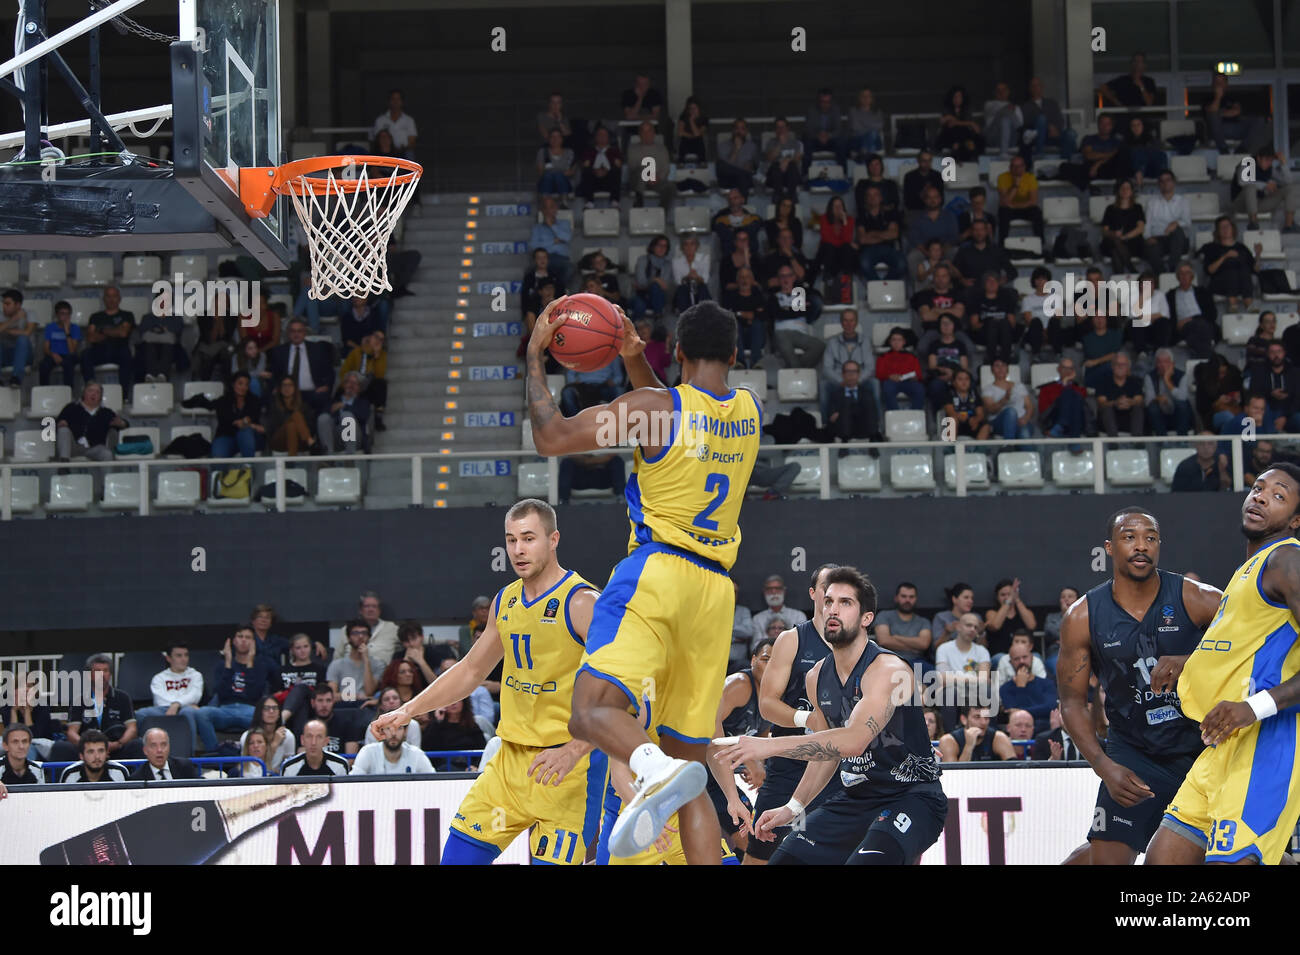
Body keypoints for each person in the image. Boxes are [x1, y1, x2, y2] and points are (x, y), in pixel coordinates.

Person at [521, 297, 761, 863]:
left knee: (590, 711)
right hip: (715, 593)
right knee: (691, 772)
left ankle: (649, 768)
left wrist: (534, 358)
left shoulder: (654, 407)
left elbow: (552, 438)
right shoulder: (749, 409)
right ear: (732, 353)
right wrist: (633, 358)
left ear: (676, 351)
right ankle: (666, 770)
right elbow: (674, 409)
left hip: (657, 573)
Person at [370, 499, 604, 864]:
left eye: (528, 538)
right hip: (509, 762)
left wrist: (575, 749)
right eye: (511, 540)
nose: (518, 549)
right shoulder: (506, 600)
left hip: (567, 768)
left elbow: (625, 686)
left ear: (553, 539)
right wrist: (408, 710)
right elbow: (471, 671)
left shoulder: (584, 602)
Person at [715, 567, 946, 865]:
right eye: (829, 601)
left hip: (912, 797)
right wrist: (792, 808)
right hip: (856, 799)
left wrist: (769, 745)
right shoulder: (816, 676)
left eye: (845, 603)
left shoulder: (888, 670)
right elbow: (827, 753)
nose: (833, 609)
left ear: (867, 619)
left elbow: (853, 741)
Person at [1146, 466, 1300, 865]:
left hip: (1268, 741)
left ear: (1297, 520)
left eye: (1279, 495)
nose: (1262, 496)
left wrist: (1253, 707)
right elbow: (1246, 648)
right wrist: (1189, 663)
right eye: (1258, 488)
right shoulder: (1249, 568)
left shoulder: (1287, 561)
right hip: (1222, 739)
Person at [1055, 507, 1222, 865]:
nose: (1141, 546)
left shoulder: (1198, 598)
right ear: (1109, 548)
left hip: (1199, 749)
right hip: (1133, 753)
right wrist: (1103, 764)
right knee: (1107, 857)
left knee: (1228, 857)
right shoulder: (1083, 616)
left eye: (1150, 538)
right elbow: (1070, 702)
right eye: (1129, 537)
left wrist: (1190, 661)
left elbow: (1252, 646)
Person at [746, 564, 840, 865]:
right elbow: (767, 704)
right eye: (828, 587)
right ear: (813, 593)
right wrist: (806, 719)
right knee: (760, 855)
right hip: (789, 765)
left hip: (838, 766)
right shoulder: (792, 639)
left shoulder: (857, 641)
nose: (834, 595)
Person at [704, 638, 773, 857]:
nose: (770, 666)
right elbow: (707, 728)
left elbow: (760, 735)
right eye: (765, 659)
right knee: (747, 836)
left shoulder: (772, 694)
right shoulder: (740, 685)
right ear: (753, 660)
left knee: (751, 834)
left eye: (776, 661)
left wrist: (757, 764)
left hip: (721, 770)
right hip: (701, 765)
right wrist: (748, 759)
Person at [194, 626, 280, 754]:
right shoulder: (222, 665)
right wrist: (228, 663)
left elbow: (254, 694)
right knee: (202, 713)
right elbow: (221, 694)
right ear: (233, 641)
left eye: (248, 637)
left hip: (250, 711)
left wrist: (250, 663)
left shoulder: (260, 665)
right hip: (225, 710)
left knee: (267, 716)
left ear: (253, 642)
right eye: (240, 636)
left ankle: (260, 755)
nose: (244, 640)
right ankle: (215, 753)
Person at [47, 653, 141, 762]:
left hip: (115, 748)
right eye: (97, 671)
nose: (101, 675)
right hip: (87, 751)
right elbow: (72, 732)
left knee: (137, 744)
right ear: (88, 675)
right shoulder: (79, 700)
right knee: (60, 748)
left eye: (105, 671)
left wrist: (118, 744)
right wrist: (88, 746)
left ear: (110, 674)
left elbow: (132, 728)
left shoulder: (123, 697)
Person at [134, 642, 204, 748]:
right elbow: (160, 701)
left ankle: (191, 755)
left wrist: (177, 704)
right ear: (169, 658)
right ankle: (140, 749)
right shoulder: (159, 678)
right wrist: (178, 704)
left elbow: (195, 696)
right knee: (140, 714)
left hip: (185, 709)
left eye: (186, 655)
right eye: (179, 656)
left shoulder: (195, 675)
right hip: (165, 709)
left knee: (188, 712)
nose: (184, 659)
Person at [873, 582, 933, 671]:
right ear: (896, 598)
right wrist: (914, 648)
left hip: (918, 663)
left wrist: (896, 637)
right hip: (889, 660)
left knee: (935, 677)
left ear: (916, 599)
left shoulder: (923, 621)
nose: (907, 600)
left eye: (911, 597)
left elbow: (924, 644)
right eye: (904, 596)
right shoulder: (884, 616)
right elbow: (884, 641)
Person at [937, 706, 1014, 762]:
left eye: (986, 717)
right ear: (964, 719)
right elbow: (953, 776)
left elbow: (1014, 770)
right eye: (977, 717)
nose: (983, 722)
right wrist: (969, 746)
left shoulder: (999, 738)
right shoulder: (949, 740)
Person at [281, 720, 351, 777]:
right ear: (302, 740)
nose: (313, 742)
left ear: (326, 741)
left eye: (319, 737)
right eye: (309, 736)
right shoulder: (289, 767)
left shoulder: (340, 765)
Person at [57, 729, 130, 783]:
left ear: (107, 753)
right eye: (91, 752)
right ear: (81, 756)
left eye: (101, 751)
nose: (97, 756)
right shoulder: (70, 774)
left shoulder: (119, 772)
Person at [128, 727, 200, 780]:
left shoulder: (184, 767)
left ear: (169, 747)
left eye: (163, 745)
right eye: (153, 745)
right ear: (145, 750)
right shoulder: (137, 778)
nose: (159, 750)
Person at [38, 300, 81, 387]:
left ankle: (69, 392)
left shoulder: (75, 328)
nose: (65, 317)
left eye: (67, 314)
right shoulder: (50, 327)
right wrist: (53, 354)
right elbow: (46, 348)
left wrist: (67, 331)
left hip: (69, 355)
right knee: (43, 365)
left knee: (69, 363)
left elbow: (72, 350)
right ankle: (45, 389)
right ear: (57, 315)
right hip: (53, 354)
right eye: (62, 313)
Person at [353, 732, 435, 776]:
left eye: (398, 728)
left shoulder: (416, 754)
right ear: (382, 732)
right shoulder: (368, 752)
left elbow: (433, 782)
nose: (393, 734)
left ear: (405, 732)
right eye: (388, 728)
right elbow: (353, 782)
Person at [0, 288, 32, 388]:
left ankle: (16, 378)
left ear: (18, 305)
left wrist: (5, 329)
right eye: (3, 303)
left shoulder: (30, 314)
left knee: (22, 339)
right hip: (5, 355)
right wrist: (14, 319)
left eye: (8, 304)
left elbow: (27, 333)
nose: (4, 307)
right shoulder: (1, 316)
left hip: (25, 355)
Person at [371, 89, 417, 157]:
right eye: (393, 99)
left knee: (409, 155)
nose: (396, 102)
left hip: (404, 152)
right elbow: (376, 141)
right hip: (385, 153)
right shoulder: (380, 120)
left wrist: (401, 150)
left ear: (402, 102)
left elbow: (412, 142)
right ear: (389, 101)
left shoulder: (409, 120)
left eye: (398, 99)